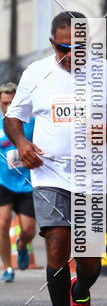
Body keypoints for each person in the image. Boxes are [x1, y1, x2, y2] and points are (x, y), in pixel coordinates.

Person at [4, 12, 107, 306]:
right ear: (53, 44)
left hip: (93, 178)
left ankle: (81, 292)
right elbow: (13, 117)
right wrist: (22, 143)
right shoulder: (36, 73)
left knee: (90, 261)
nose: (72, 55)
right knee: (56, 245)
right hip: (49, 174)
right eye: (64, 48)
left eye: (79, 48)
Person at [0, 83, 36, 281]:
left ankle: (21, 245)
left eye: (11, 103)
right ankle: (8, 268)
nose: (8, 107)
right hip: (3, 181)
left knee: (29, 230)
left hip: (26, 182)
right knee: (2, 224)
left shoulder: (31, 121)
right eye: (4, 103)